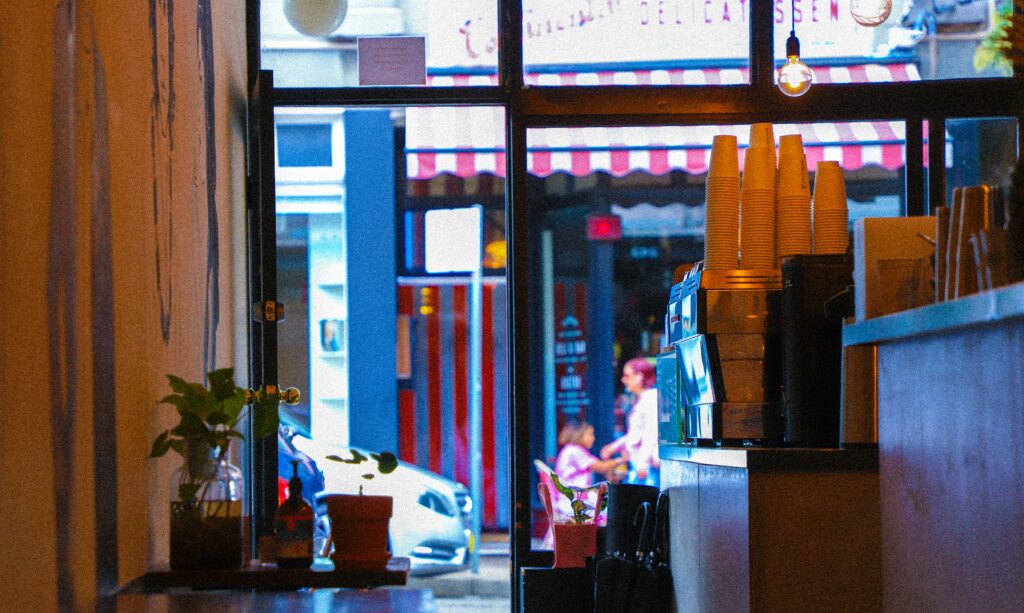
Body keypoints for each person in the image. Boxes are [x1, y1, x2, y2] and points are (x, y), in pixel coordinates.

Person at [600, 357, 660, 487]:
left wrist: (643, 462)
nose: (623, 380)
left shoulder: (650, 398)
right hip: (638, 465)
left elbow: (651, 432)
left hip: (646, 467)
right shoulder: (641, 399)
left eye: (627, 375)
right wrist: (614, 447)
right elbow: (636, 434)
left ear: (640, 376)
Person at [554, 421, 624, 489]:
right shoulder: (574, 451)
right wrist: (621, 460)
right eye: (590, 434)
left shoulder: (573, 449)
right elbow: (601, 466)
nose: (593, 438)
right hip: (571, 494)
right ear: (579, 435)